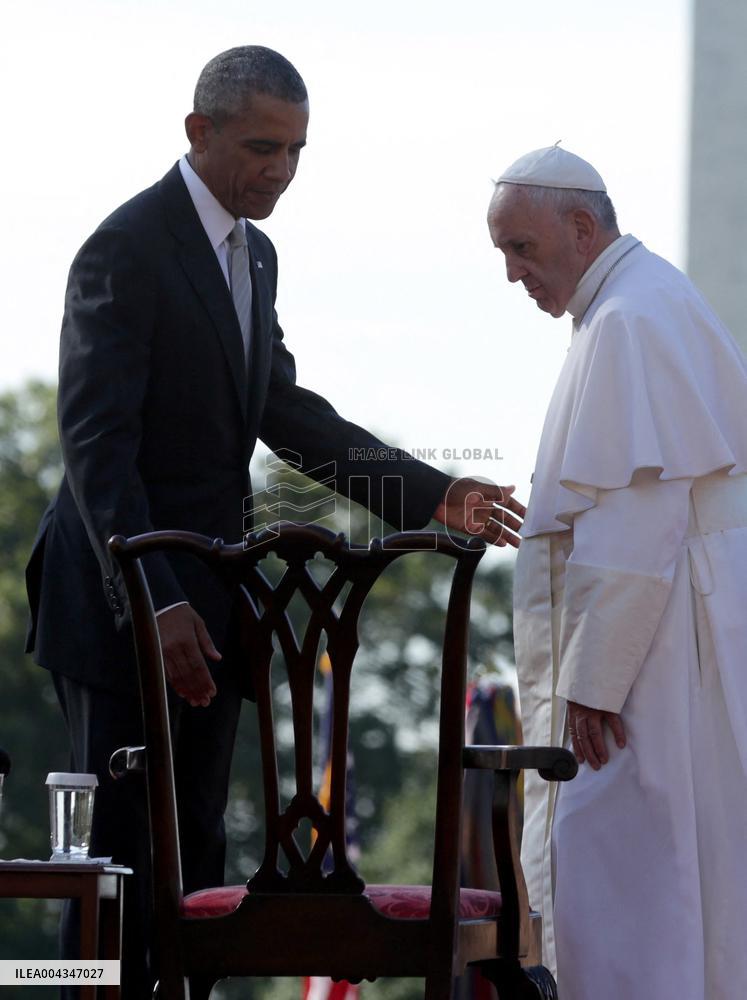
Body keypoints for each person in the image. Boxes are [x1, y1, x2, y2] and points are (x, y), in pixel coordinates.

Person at [25, 46, 524, 997]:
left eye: (296, 151)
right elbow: (96, 450)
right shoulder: (124, 248)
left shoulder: (255, 253)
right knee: (114, 876)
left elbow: (285, 415)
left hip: (213, 611)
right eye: (261, 147)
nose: (280, 171)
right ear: (197, 132)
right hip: (119, 609)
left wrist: (430, 496)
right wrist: (155, 602)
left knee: (198, 867)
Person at [487, 144, 747, 1000]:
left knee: (635, 877)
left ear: (581, 226)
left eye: (521, 249)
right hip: (664, 637)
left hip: (650, 657)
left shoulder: (630, 319)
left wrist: (589, 686)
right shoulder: (633, 305)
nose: (513, 274)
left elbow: (635, 522)